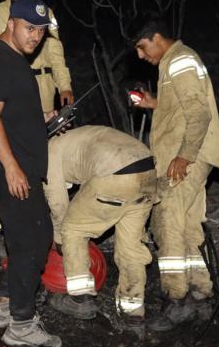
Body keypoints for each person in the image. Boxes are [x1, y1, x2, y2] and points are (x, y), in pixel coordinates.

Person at [129, 15, 219, 330]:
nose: (142, 57)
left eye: (143, 48)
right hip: (190, 155)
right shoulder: (175, 62)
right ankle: (201, 293)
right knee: (186, 225)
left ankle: (176, 299)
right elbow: (181, 107)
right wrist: (152, 103)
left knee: (167, 220)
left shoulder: (180, 60)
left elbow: (198, 111)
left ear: (157, 38)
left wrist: (185, 156)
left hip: (186, 156)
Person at [0, 0, 61, 347]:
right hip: (9, 167)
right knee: (33, 241)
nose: (35, 36)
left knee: (34, 237)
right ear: (11, 23)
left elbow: (11, 114)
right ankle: (21, 324)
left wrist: (44, 122)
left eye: (40, 31)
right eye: (29, 28)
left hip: (20, 163)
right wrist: (12, 168)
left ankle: (4, 304)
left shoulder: (13, 60)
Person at [45, 125, 157, 326]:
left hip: (114, 174)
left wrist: (59, 238)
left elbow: (58, 202)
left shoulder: (48, 150)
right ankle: (133, 309)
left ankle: (80, 299)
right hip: (147, 172)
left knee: (73, 229)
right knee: (131, 246)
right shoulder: (77, 138)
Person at [0, 0, 73, 114]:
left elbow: (56, 53)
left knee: (46, 134)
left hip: (44, 89)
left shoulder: (46, 14)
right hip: (11, 90)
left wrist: (65, 87)